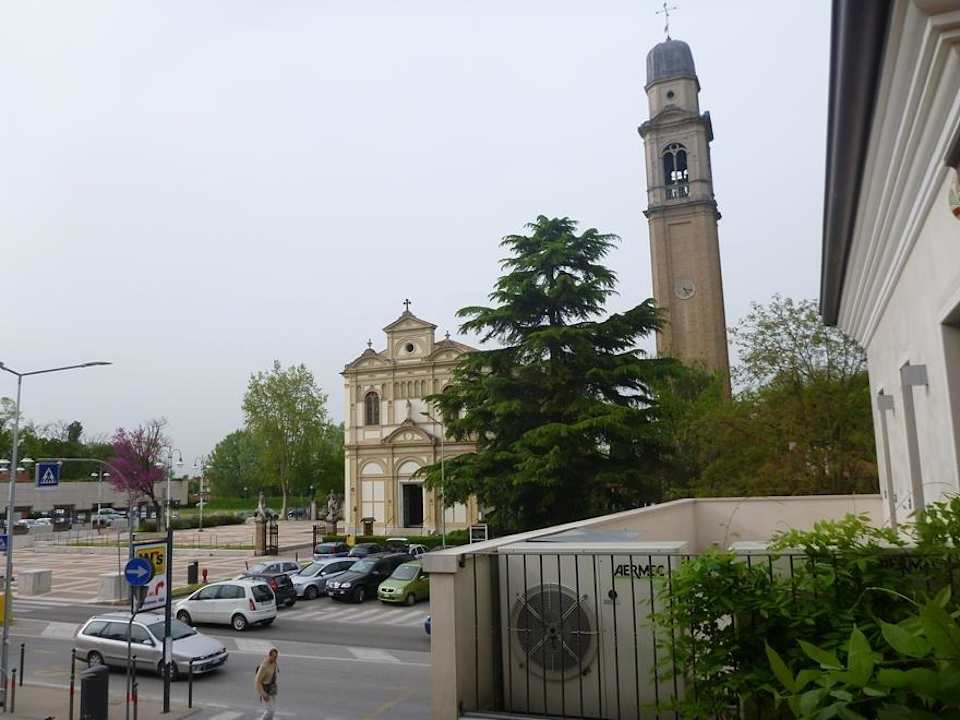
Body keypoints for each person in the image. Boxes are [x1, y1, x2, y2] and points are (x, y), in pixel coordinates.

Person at [255, 647, 279, 719]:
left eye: (276, 656)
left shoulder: (274, 663)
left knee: (273, 710)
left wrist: (275, 682)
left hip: (272, 689)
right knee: (269, 711)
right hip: (265, 689)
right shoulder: (264, 666)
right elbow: (257, 681)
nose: (275, 658)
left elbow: (274, 673)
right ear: (269, 655)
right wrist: (263, 694)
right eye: (274, 656)